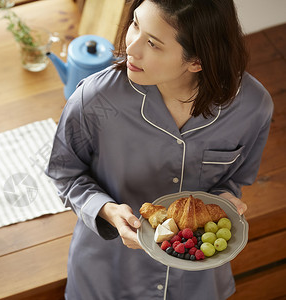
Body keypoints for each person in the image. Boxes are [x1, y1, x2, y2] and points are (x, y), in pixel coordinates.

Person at [45, 0, 273, 299]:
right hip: (107, 274)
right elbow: (65, 172)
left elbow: (234, 178)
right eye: (136, 24)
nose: (132, 48)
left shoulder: (252, 107)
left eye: (153, 43)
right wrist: (106, 209)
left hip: (197, 277)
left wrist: (224, 200)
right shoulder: (94, 99)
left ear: (197, 61)